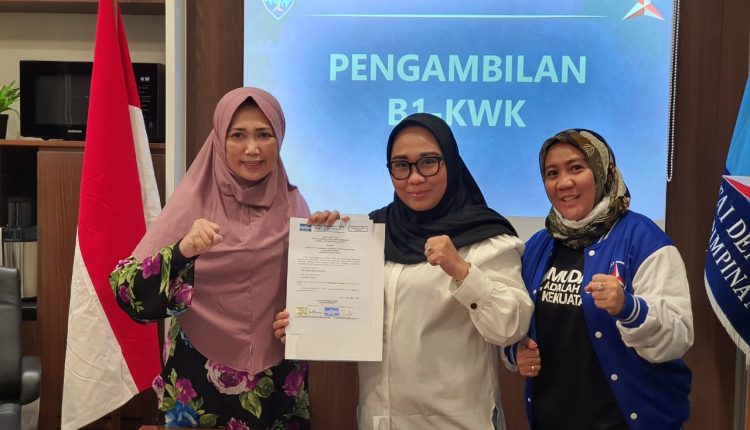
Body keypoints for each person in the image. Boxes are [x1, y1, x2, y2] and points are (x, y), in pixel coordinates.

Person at [274, 113, 533, 429]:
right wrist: (305, 322)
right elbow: (352, 322)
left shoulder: (487, 237)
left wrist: (462, 271)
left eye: (428, 162)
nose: (415, 177)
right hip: (379, 418)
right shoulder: (372, 233)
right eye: (401, 165)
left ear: (451, 163)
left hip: (458, 421)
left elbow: (510, 327)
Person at [110, 87, 311, 429]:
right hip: (199, 375)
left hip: (276, 379)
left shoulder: (293, 204)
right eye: (238, 135)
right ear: (219, 139)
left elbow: (311, 292)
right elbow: (127, 292)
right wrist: (182, 250)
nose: (252, 148)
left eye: (264, 135)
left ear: (279, 138)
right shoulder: (191, 203)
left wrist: (328, 236)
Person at [506, 129, 693, 430]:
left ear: (602, 171)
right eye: (552, 173)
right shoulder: (539, 244)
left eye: (576, 168)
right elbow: (514, 318)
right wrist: (515, 352)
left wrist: (628, 308)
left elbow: (678, 337)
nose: (564, 182)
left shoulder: (644, 240)